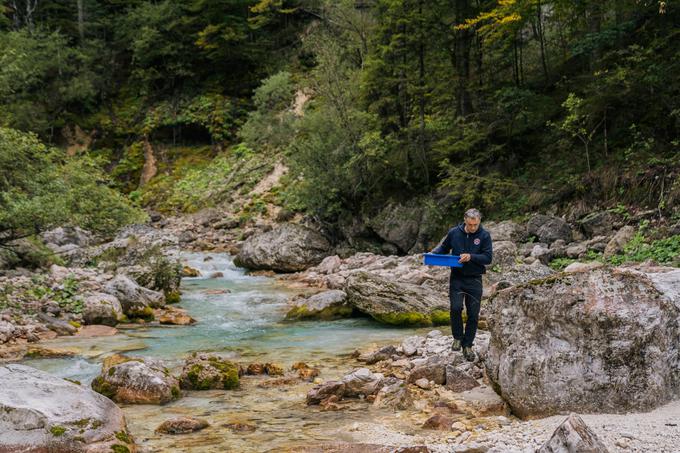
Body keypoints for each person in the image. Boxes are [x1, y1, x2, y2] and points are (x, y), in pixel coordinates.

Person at [431, 208, 493, 361]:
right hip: (457, 278)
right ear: (465, 220)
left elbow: (488, 257)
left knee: (473, 314)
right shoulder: (454, 232)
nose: (473, 228)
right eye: (470, 224)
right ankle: (457, 337)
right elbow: (444, 247)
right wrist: (433, 254)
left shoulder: (484, 235)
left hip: (475, 279)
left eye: (476, 225)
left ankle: (468, 345)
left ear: (479, 222)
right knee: (455, 308)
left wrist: (470, 256)